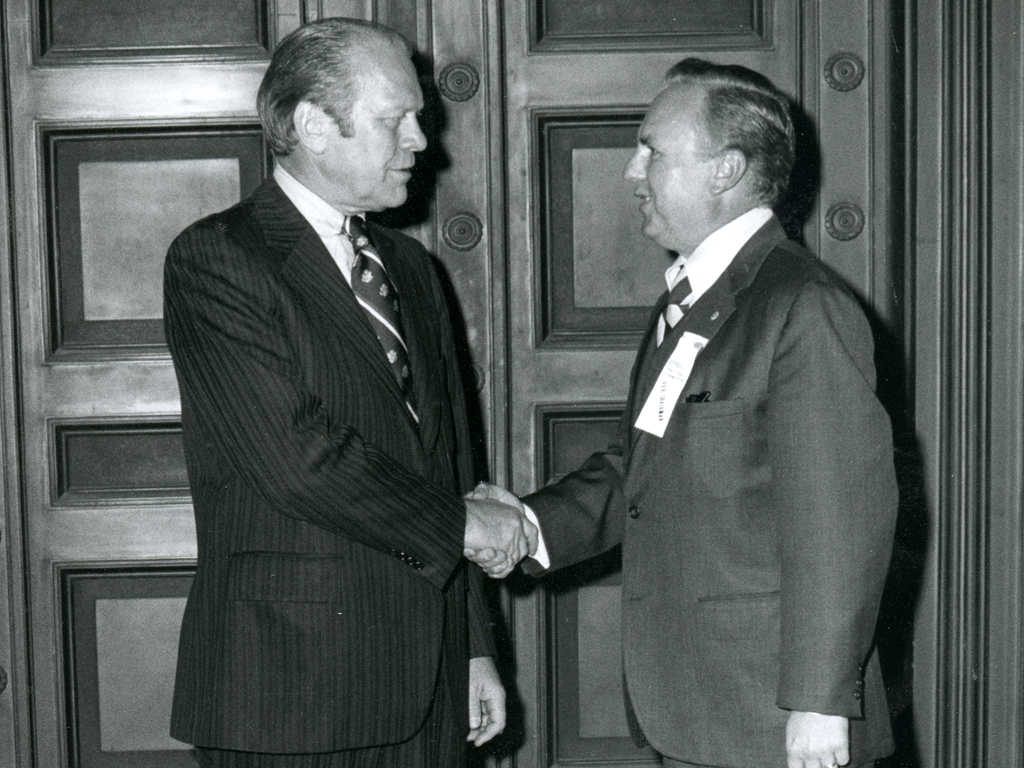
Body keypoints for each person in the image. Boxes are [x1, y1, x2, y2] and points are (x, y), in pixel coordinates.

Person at [472, 59, 898, 768]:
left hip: (776, 718)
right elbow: (642, 471)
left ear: (726, 170)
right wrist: (530, 525)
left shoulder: (800, 305)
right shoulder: (695, 299)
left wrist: (819, 704)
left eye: (652, 151)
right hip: (706, 711)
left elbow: (841, 518)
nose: (631, 172)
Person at [164, 17, 533, 768]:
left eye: (419, 119)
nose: (421, 141)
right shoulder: (219, 259)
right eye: (395, 119)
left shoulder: (412, 268)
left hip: (428, 687)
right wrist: (465, 525)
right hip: (292, 691)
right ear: (311, 125)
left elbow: (447, 462)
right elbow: (293, 457)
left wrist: (469, 649)